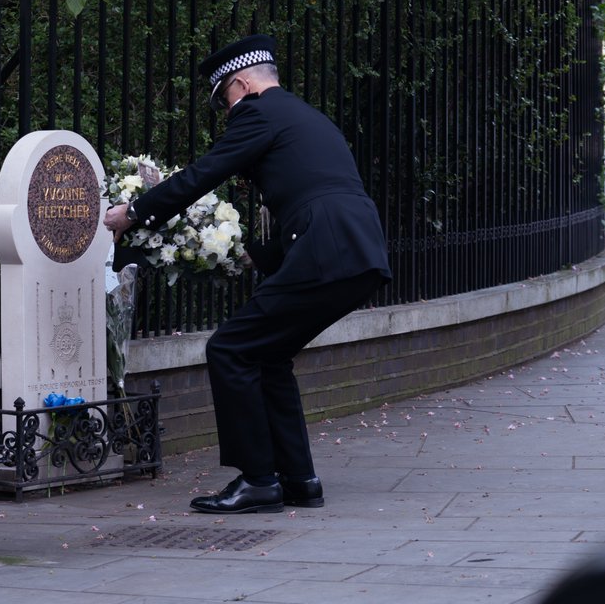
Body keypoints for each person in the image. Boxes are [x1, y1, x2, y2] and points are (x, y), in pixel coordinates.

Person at [103, 34, 391, 514]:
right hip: (358, 252)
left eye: (224, 101)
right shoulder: (306, 115)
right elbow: (318, 194)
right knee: (268, 355)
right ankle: (299, 479)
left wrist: (133, 212)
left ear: (241, 84)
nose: (226, 113)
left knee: (230, 348)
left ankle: (258, 480)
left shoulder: (258, 112)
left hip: (324, 251)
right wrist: (257, 255)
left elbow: (205, 173)